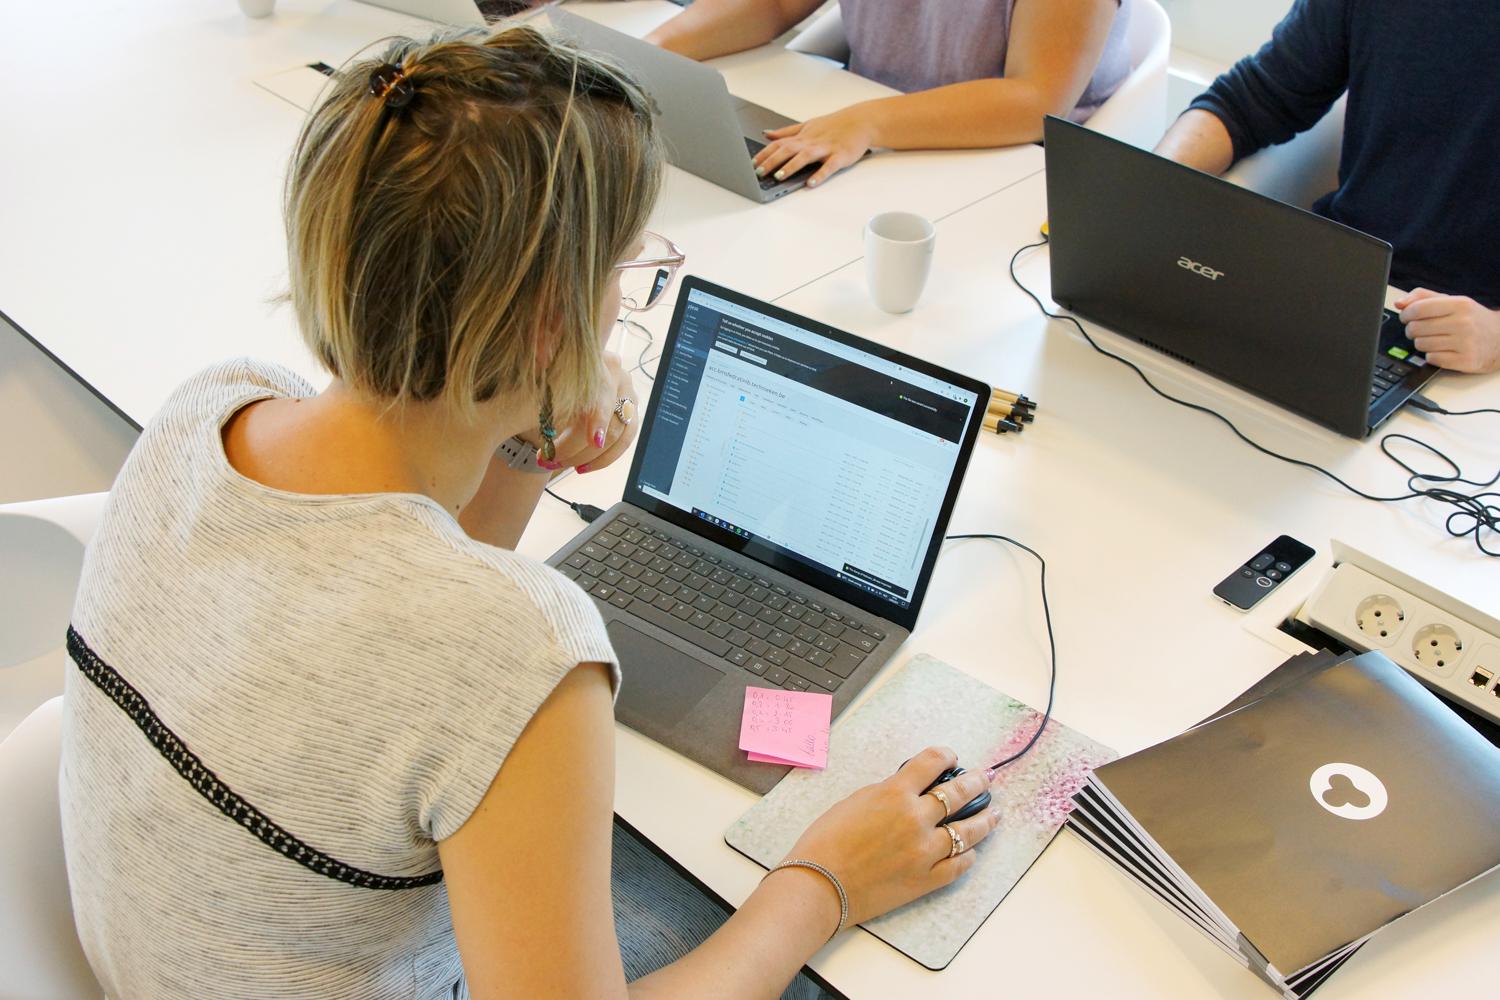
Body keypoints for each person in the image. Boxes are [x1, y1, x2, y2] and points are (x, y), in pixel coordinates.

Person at [59, 24, 1002, 1000]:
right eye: (623, 271)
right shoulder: (523, 652)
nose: (623, 302)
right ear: (552, 320)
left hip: (165, 959)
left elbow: (418, 599)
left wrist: (527, 428)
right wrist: (826, 883)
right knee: (795, 943)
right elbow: (469, 654)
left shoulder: (211, 406)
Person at [1154, 0, 1500, 374]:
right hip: (1341, 286)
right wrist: (1149, 187)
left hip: (1473, 335)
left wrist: (1495, 338)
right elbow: (1250, 100)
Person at [646, 0, 1134, 188]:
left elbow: (1036, 98)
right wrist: (652, 49)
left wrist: (868, 122)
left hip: (1013, 165)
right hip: (868, 135)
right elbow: (774, 5)